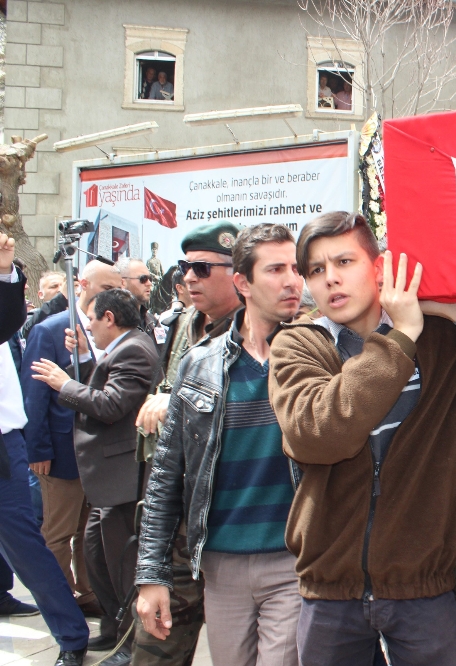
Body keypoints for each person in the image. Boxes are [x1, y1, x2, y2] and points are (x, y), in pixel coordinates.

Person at [265, 211, 456, 665]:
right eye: (317, 270)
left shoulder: (444, 342)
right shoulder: (298, 345)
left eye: (344, 262)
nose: (331, 279)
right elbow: (320, 434)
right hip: (329, 592)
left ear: (380, 267)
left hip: (424, 589)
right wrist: (401, 336)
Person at [136, 224, 304, 665]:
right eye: (276, 269)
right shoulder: (200, 362)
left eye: (297, 268)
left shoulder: (320, 352)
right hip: (220, 564)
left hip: (294, 560)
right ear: (243, 282)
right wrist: (152, 577)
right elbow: (166, 477)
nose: (292, 280)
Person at [131, 221, 243, 666]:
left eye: (201, 268)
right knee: (156, 650)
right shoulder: (184, 324)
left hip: (234, 532)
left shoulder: (268, 334)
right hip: (182, 522)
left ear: (238, 274)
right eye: (184, 268)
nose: (189, 278)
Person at [31, 289, 159, 666]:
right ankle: (114, 629)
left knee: (121, 564)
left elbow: (110, 404)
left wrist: (62, 383)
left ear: (108, 318)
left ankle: (131, 644)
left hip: (124, 479)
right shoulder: (122, 348)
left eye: (90, 319)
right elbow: (105, 383)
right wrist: (86, 359)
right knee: (97, 555)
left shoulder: (135, 348)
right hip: (108, 480)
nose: (86, 326)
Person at [0, 232, 92, 666]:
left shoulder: (10, 314)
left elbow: (6, 317)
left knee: (26, 545)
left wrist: (3, 268)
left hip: (3, 446)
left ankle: (72, 637)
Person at [21, 260, 122, 623]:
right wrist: (38, 449)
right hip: (60, 454)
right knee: (58, 533)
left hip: (92, 452)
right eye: (108, 285)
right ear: (81, 284)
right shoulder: (50, 329)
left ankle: (86, 593)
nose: (115, 292)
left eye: (118, 286)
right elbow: (34, 394)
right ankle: (63, 605)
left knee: (86, 530)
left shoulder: (108, 330)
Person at [119, 257, 164, 351]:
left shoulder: (152, 321)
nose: (149, 283)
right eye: (143, 279)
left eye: (150, 278)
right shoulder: (113, 322)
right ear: (122, 282)